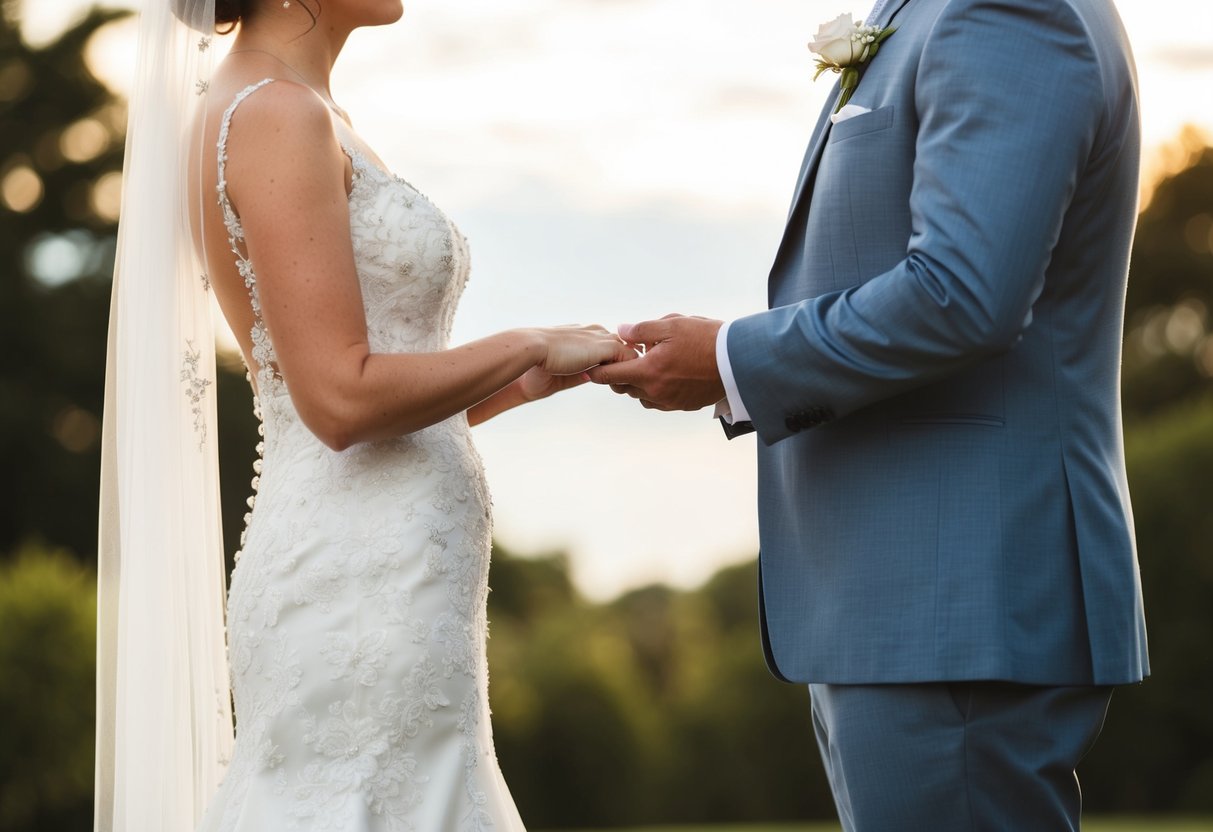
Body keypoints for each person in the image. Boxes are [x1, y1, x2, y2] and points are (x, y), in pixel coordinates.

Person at [589, 0, 1149, 828]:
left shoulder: (1010, 11)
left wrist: (731, 359)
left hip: (957, 594)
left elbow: (961, 296)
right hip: (898, 598)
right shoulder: (923, 10)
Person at [95, 0, 632, 828]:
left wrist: (523, 382)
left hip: (395, 569)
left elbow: (346, 387)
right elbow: (338, 401)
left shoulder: (299, 110)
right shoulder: (274, 113)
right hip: (357, 586)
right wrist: (524, 343)